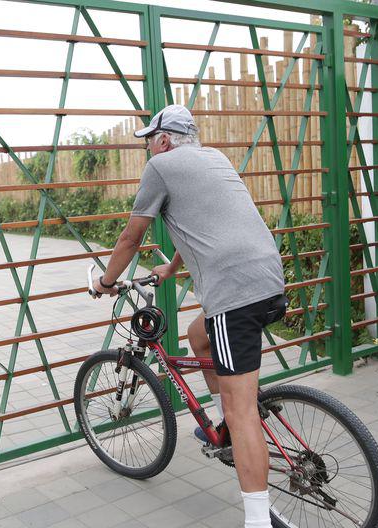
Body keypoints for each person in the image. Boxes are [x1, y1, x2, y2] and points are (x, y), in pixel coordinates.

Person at [91, 104, 288, 528]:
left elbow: (131, 235)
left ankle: (257, 519)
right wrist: (172, 268)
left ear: (163, 140)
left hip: (234, 294)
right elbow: (211, 222)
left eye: (149, 140)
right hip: (269, 280)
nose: (148, 148)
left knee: (243, 410)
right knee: (199, 336)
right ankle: (222, 423)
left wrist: (106, 283)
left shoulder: (160, 168)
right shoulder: (214, 158)